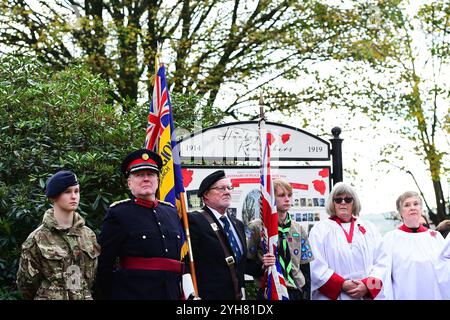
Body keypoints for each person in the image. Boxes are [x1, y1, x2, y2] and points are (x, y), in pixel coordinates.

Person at [96, 149, 186, 300]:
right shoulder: (118, 213)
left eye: (150, 174)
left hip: (172, 294)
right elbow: (104, 264)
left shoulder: (171, 212)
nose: (146, 179)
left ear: (158, 180)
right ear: (129, 183)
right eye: (139, 175)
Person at [17, 170, 100, 300]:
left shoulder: (88, 235)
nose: (74, 196)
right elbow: (27, 285)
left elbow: (91, 277)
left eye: (76, 191)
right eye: (67, 192)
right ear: (54, 196)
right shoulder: (37, 238)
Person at [369, 191, 450, 299]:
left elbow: (445, 271)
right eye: (407, 205)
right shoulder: (390, 239)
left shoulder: (435, 237)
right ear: (400, 212)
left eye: (416, 204)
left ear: (421, 209)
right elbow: (383, 273)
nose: (412, 207)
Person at [308, 182, 382, 300]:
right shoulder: (319, 230)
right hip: (334, 296)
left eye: (348, 199)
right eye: (338, 199)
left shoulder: (369, 228)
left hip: (364, 294)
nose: (343, 202)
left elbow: (382, 262)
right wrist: (341, 284)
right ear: (332, 203)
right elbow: (315, 265)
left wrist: (367, 286)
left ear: (354, 203)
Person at [246, 179, 313, 300]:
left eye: (289, 195)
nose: (287, 199)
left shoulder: (298, 228)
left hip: (295, 290)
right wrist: (263, 266)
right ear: (271, 198)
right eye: (281, 195)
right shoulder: (258, 227)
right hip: (270, 290)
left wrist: (306, 293)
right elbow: (246, 262)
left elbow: (305, 266)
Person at [187, 170, 247, 300]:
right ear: (206, 195)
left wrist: (265, 264)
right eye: (221, 188)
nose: (227, 192)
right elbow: (187, 263)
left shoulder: (238, 224)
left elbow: (241, 264)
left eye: (229, 188)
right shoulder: (194, 221)